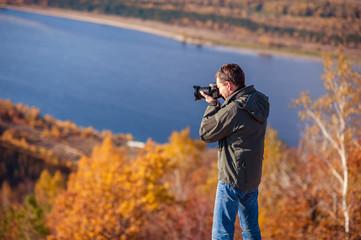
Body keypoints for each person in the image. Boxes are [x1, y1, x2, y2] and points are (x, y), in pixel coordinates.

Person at [199, 63, 269, 240]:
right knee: (251, 230)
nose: (219, 90)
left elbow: (206, 133)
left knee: (222, 233)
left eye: (220, 87)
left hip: (231, 179)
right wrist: (226, 99)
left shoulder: (234, 110)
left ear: (229, 85)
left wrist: (213, 104)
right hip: (252, 178)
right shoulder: (258, 101)